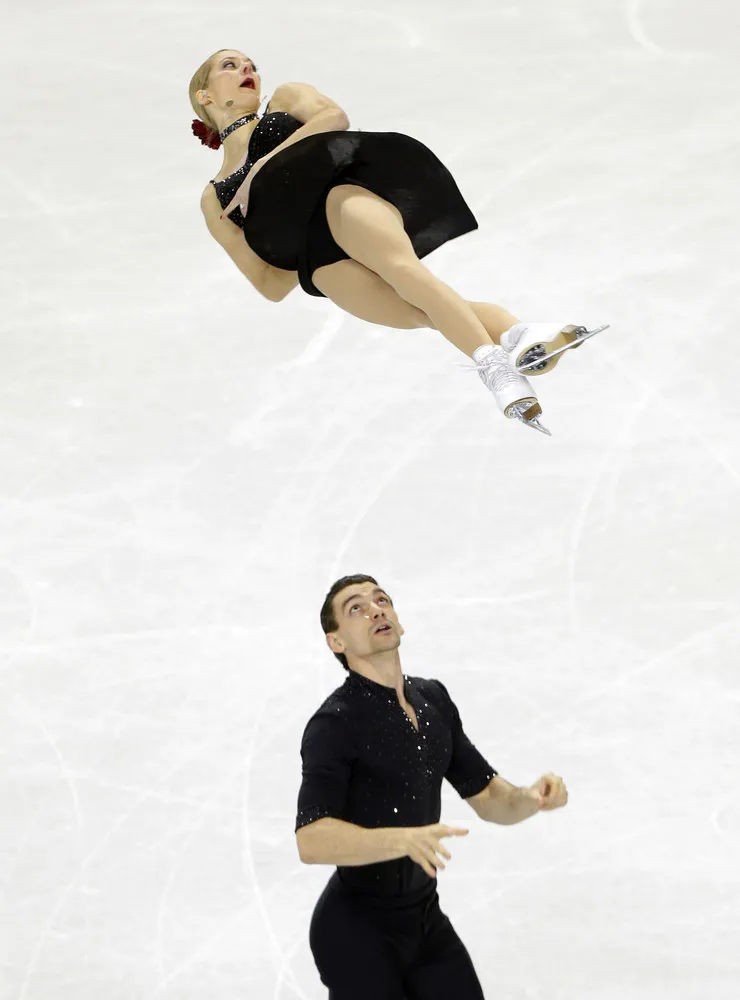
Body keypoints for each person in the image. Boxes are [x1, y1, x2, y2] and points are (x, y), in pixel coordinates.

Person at [190, 50, 608, 436]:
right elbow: (269, 283)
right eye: (230, 65)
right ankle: (519, 333)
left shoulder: (284, 99)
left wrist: (262, 167)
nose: (247, 69)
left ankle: (497, 372)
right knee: (420, 311)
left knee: (402, 270)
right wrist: (277, 231)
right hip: (316, 258)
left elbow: (333, 117)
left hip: (340, 198)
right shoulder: (215, 196)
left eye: (250, 64)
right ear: (204, 95)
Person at [295, 574, 568, 999]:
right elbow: (311, 840)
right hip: (357, 933)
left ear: (399, 621)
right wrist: (401, 839)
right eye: (356, 608)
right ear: (336, 642)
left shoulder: (433, 700)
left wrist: (531, 798)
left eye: (381, 600)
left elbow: (488, 796)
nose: (375, 610)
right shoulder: (335, 724)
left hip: (423, 921)